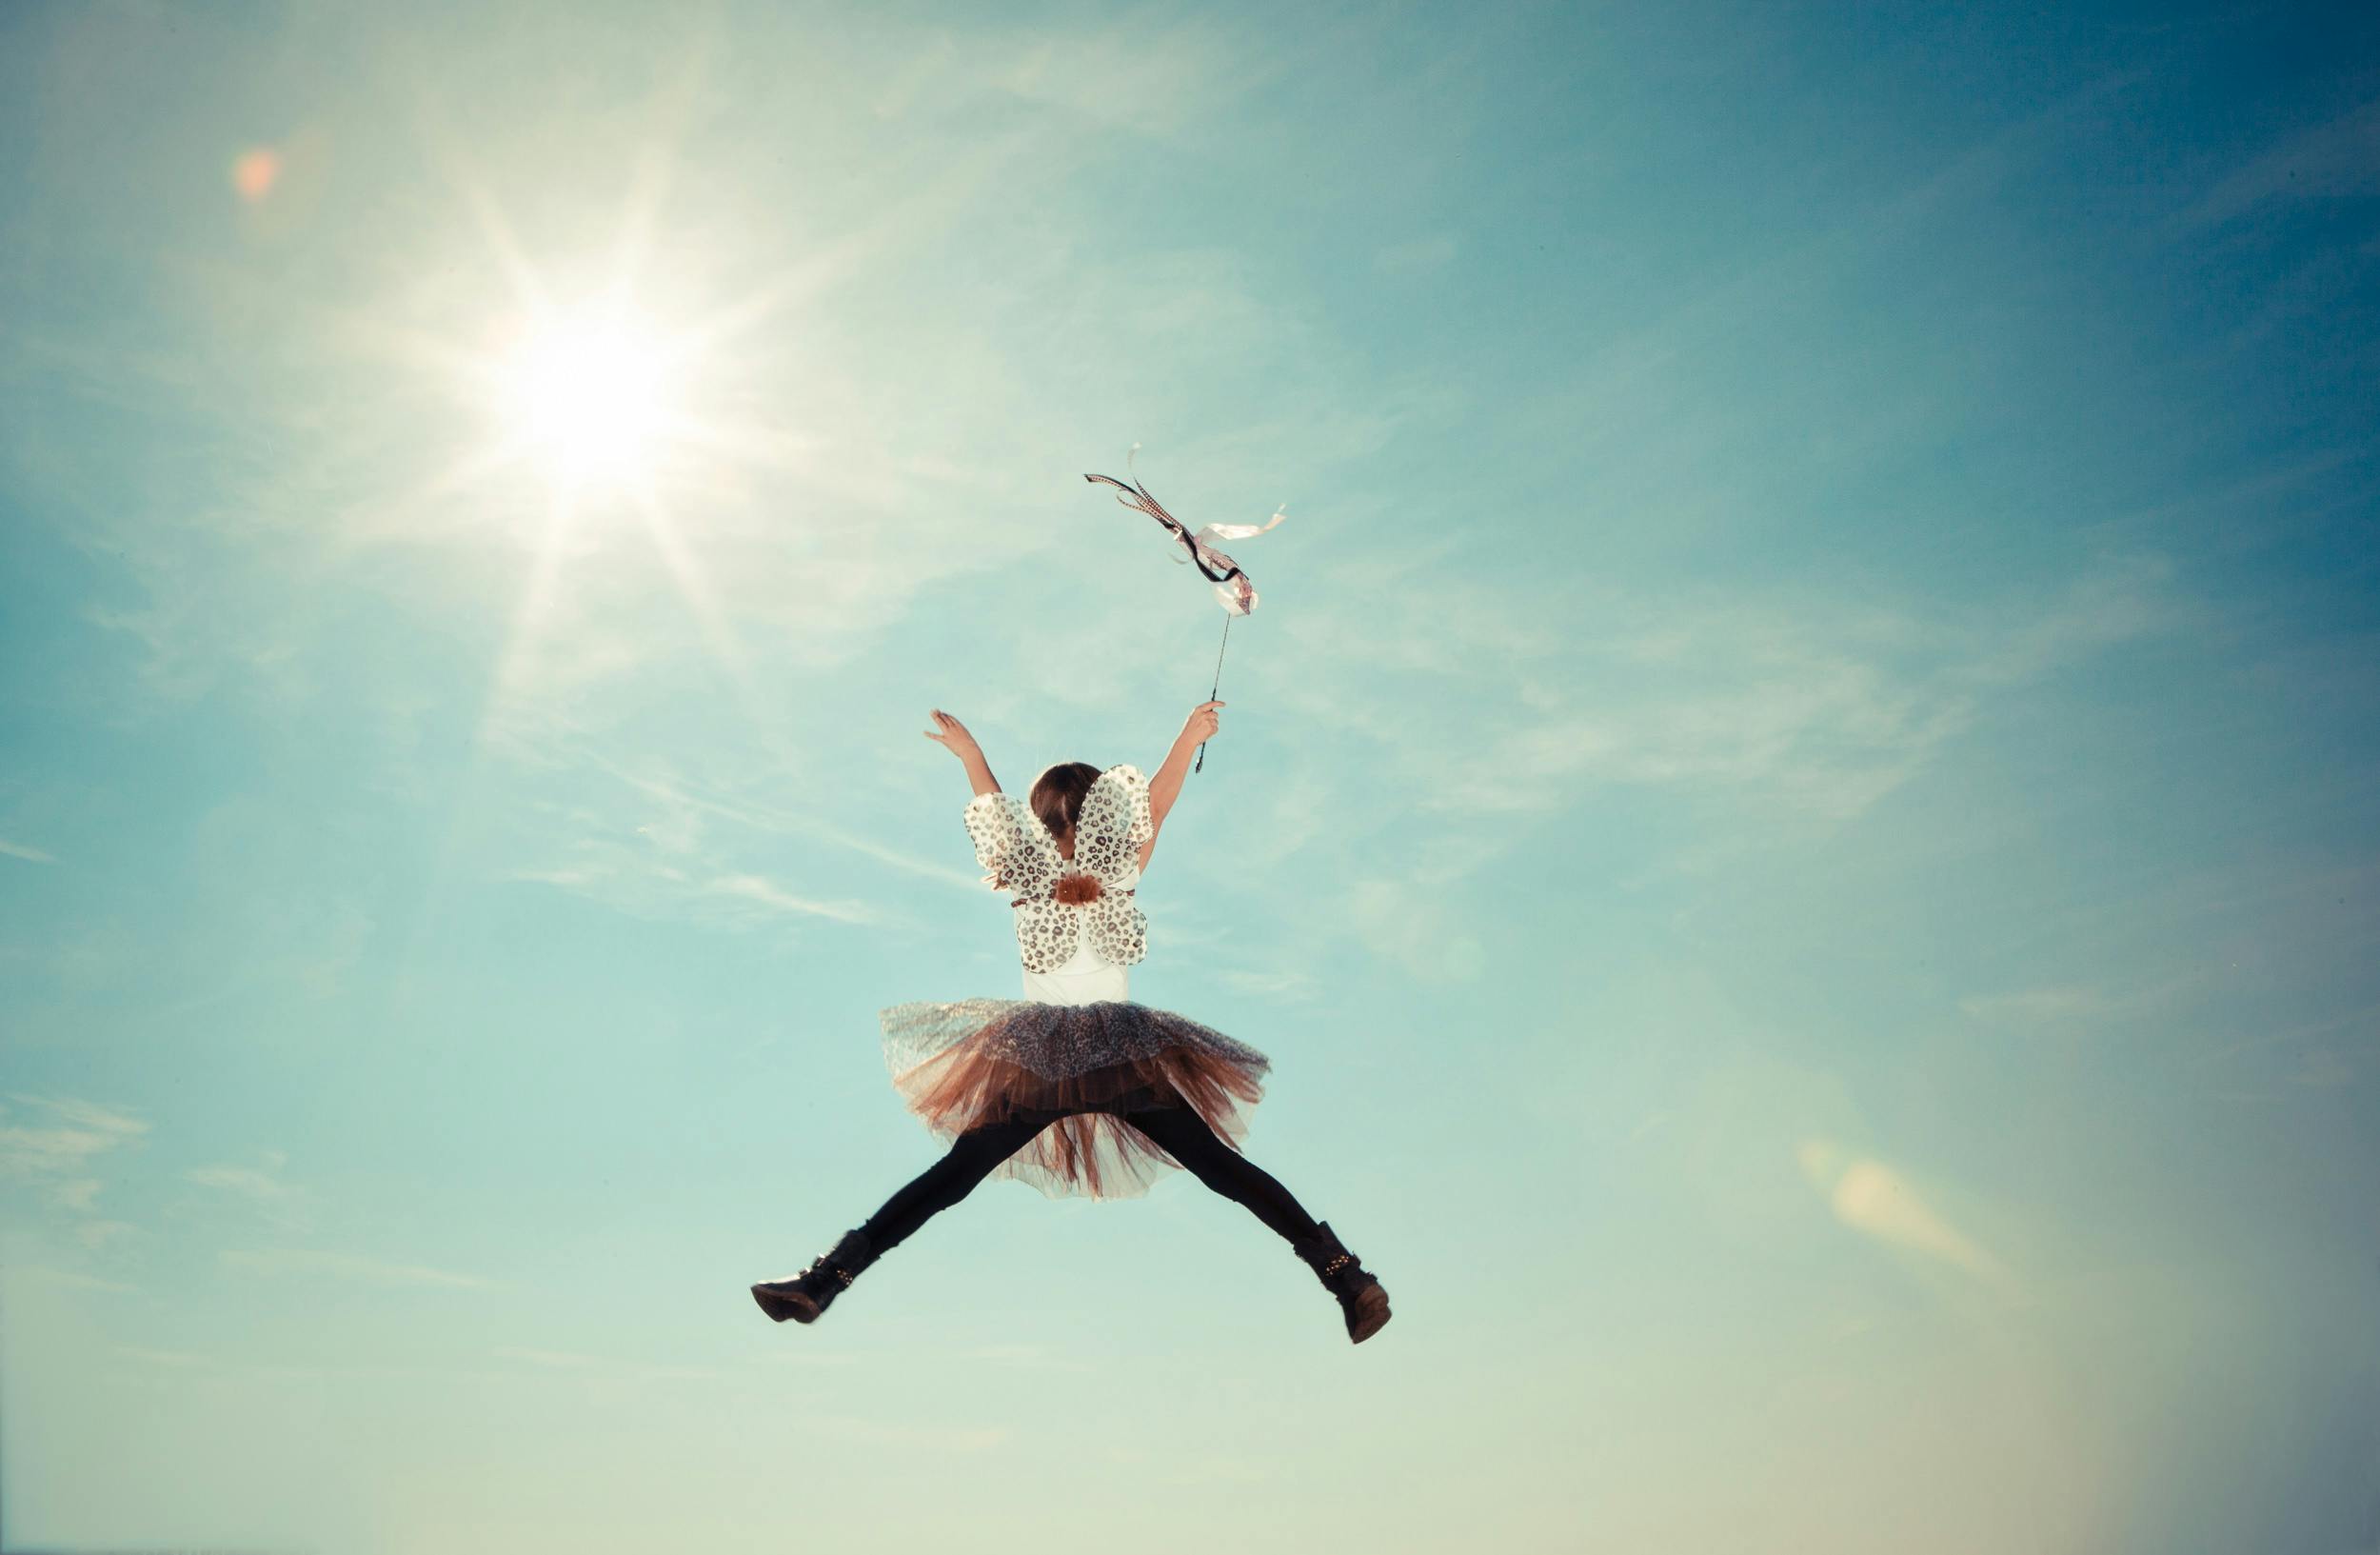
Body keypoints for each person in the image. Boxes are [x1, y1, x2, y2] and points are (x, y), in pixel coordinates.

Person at [750, 702, 1392, 1344]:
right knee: (1222, 1168)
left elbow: (998, 814)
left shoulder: (1024, 873)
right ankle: (1345, 1275)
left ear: (1038, 821)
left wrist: (971, 755)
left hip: (1043, 1060)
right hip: (1121, 1055)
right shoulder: (1120, 869)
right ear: (1104, 813)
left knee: (952, 1177)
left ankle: (825, 1280)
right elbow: (1158, 805)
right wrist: (1188, 735)